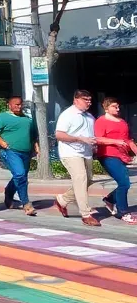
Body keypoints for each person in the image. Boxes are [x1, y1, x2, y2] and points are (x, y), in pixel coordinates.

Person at [54, 89, 100, 226]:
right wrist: (78, 139)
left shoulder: (90, 117)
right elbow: (59, 135)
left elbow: (91, 136)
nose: (89, 102)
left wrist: (94, 145)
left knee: (88, 180)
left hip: (86, 153)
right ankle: (86, 214)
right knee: (80, 178)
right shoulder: (67, 115)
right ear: (76, 100)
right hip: (70, 153)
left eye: (90, 100)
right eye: (85, 99)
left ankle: (62, 200)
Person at [0, 97, 39, 217]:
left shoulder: (27, 119)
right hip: (11, 151)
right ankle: (26, 204)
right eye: (16, 104)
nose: (19, 106)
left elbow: (33, 135)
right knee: (20, 174)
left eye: (20, 104)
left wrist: (36, 146)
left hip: (26, 152)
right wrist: (2, 143)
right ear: (9, 105)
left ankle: (9, 192)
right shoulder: (2, 117)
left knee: (21, 176)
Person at [96, 97, 137, 224]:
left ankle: (110, 199)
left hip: (122, 156)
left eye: (118, 106)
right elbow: (98, 139)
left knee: (123, 183)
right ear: (106, 108)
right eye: (114, 106)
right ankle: (122, 212)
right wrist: (115, 141)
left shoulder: (122, 122)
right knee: (124, 183)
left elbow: (128, 140)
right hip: (107, 155)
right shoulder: (101, 121)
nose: (118, 109)